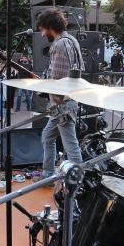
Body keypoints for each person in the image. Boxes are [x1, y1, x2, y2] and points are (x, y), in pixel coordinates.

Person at [37, 9, 84, 180]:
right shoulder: (71, 40)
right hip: (67, 102)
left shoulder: (59, 45)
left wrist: (46, 91)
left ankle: (79, 181)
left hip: (61, 106)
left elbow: (58, 82)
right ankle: (48, 174)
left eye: (43, 29)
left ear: (50, 27)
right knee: (47, 137)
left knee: (71, 146)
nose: (42, 34)